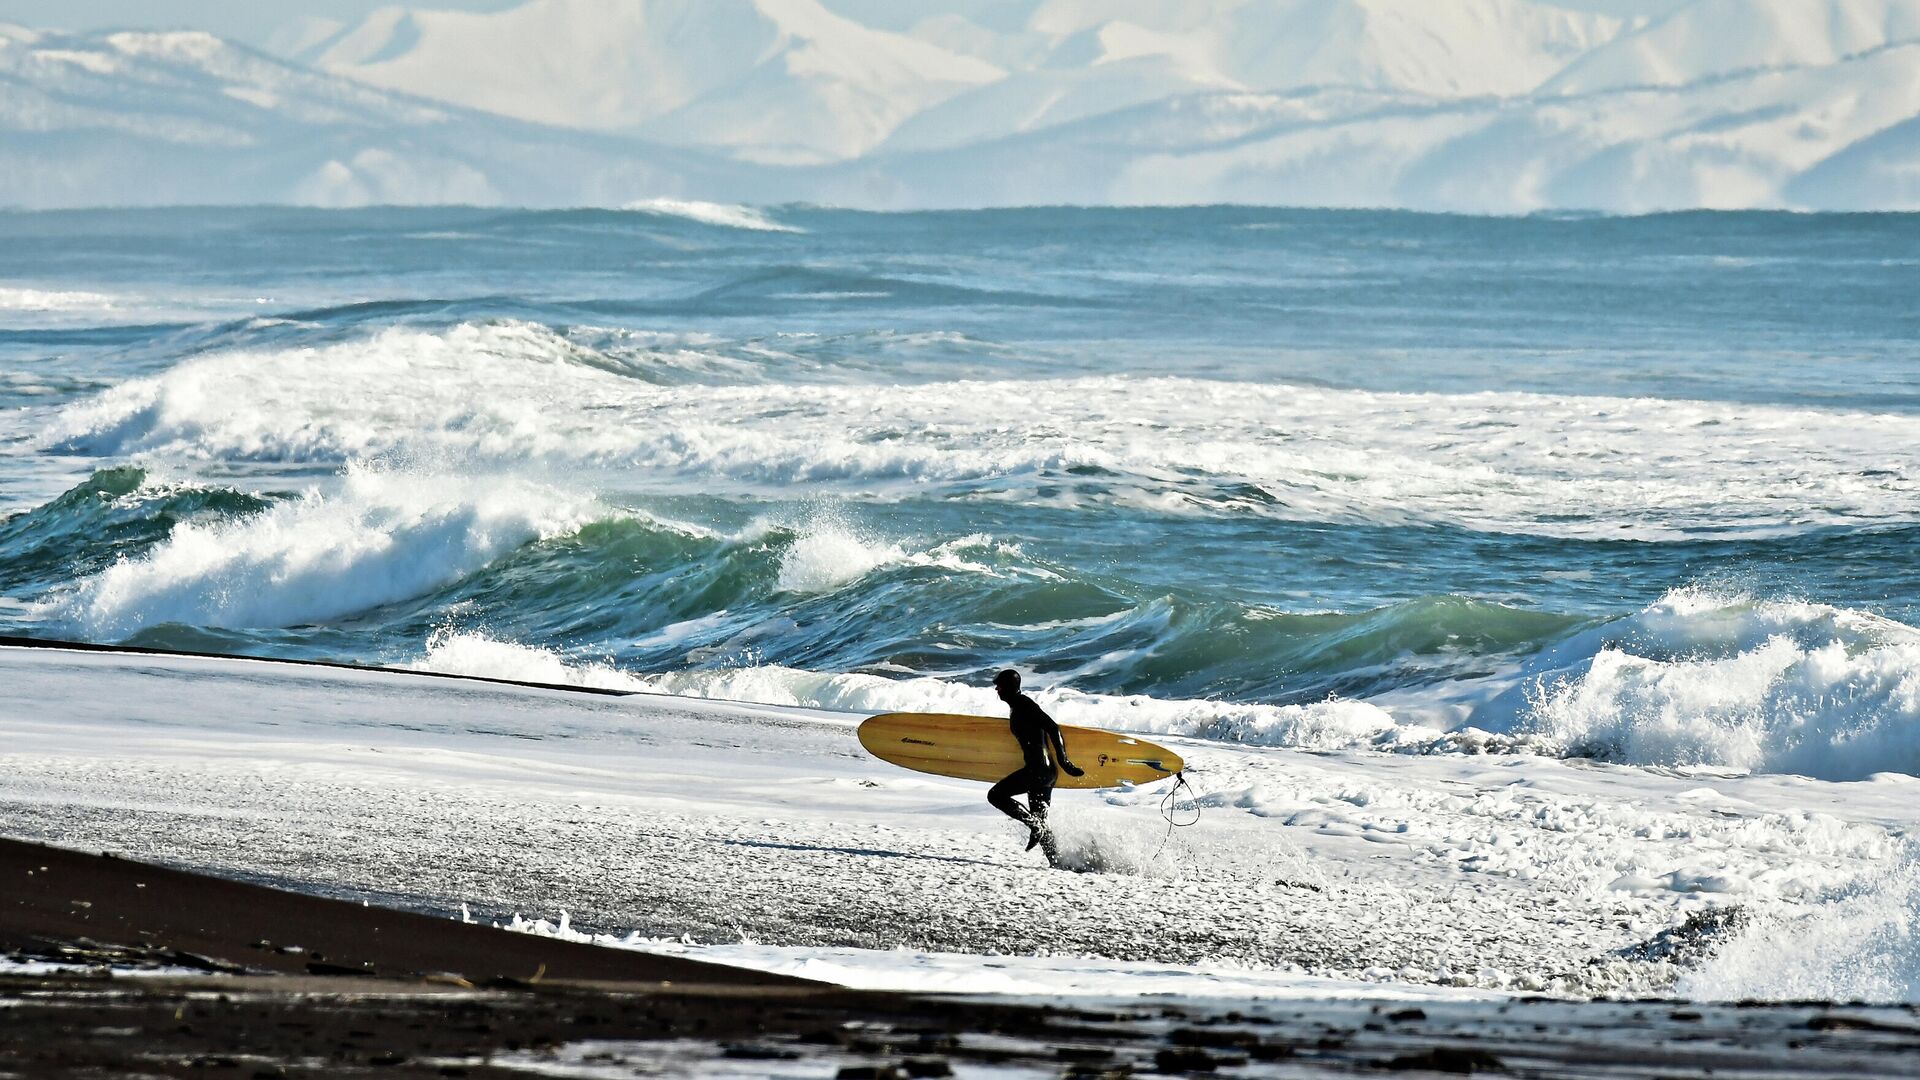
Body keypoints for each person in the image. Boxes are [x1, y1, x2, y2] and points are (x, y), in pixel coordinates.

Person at [987, 669, 1082, 861]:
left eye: (1000, 685)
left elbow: (1053, 728)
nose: (996, 688)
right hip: (1045, 773)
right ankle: (1057, 862)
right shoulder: (1017, 706)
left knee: (996, 795)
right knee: (1042, 821)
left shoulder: (1024, 704)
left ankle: (1033, 824)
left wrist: (1065, 761)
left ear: (1009, 687)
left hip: (1038, 771)